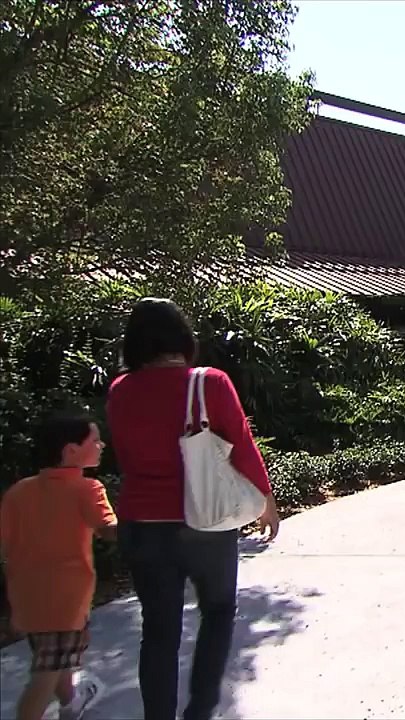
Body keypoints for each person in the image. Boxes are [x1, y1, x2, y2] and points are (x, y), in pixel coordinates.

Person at [106, 297, 281, 720]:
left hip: (143, 522)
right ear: (182, 338)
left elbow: (125, 456)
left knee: (159, 630)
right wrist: (266, 501)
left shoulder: (119, 390)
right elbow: (241, 443)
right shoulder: (210, 383)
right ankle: (199, 711)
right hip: (204, 519)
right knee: (218, 611)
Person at [0, 413, 115, 720]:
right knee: (45, 673)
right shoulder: (87, 489)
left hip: (26, 598)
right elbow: (110, 530)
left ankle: (71, 703)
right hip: (65, 602)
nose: (102, 445)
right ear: (71, 451)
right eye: (94, 440)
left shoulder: (18, 492)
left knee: (52, 659)